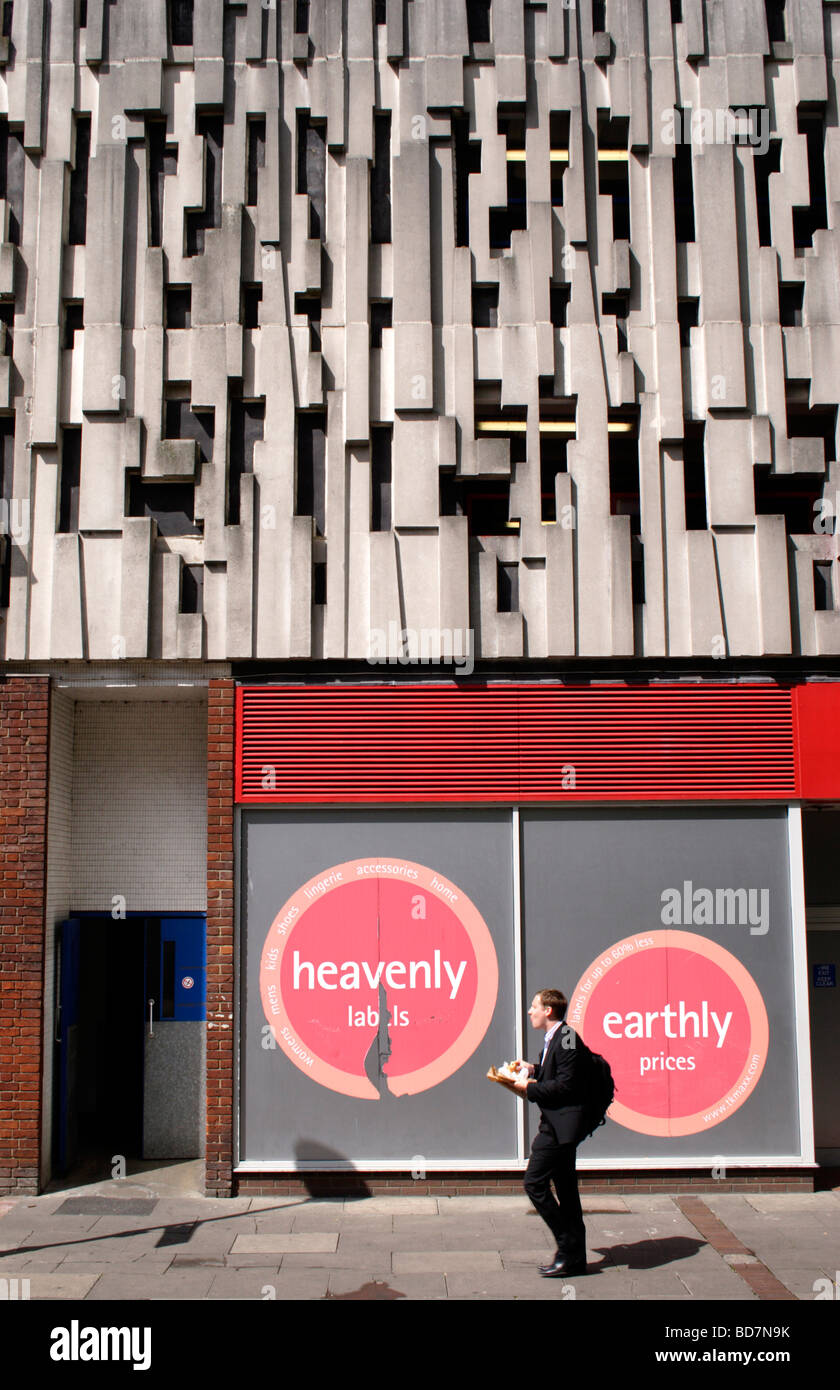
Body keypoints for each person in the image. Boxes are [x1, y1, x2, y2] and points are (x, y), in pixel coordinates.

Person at [508, 988, 589, 1277]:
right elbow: (557, 1074)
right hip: (558, 1126)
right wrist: (534, 1069)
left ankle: (567, 1246)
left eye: (534, 1007)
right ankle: (575, 1259)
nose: (530, 1011)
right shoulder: (556, 1037)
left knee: (534, 1183)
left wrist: (526, 1087)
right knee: (566, 1190)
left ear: (548, 1012)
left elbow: (567, 1085)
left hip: (558, 1128)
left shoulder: (566, 1036)